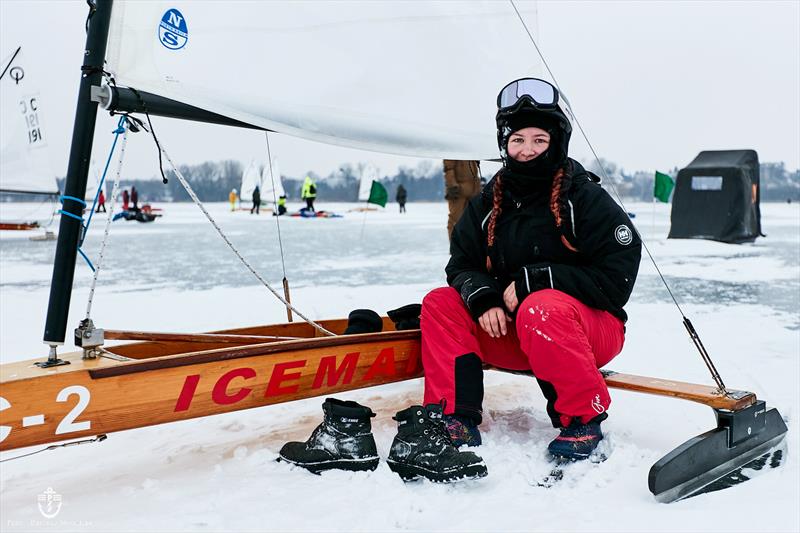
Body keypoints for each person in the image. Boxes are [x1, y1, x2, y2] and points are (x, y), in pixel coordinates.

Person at [420, 78, 641, 463]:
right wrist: (483, 298)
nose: (527, 150)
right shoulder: (489, 200)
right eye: (517, 140)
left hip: (587, 334)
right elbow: (461, 265)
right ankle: (455, 416)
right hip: (515, 334)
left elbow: (615, 281)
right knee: (441, 302)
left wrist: (536, 280)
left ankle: (582, 419)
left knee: (541, 306)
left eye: (539, 140)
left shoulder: (584, 197)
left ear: (556, 141)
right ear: (505, 144)